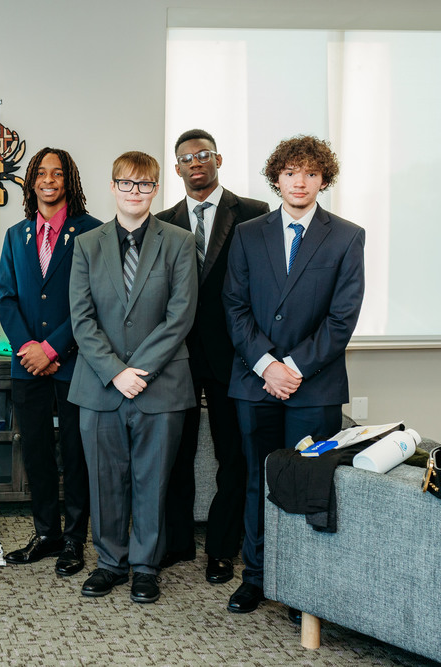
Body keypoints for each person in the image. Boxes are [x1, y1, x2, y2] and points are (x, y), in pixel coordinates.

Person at [223, 135, 364, 616]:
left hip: (314, 386)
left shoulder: (346, 236)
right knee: (257, 480)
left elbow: (342, 319)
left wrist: (294, 369)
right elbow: (235, 307)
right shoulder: (248, 233)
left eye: (309, 173)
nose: (299, 181)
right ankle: (256, 577)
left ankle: (303, 586)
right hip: (254, 381)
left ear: (324, 178)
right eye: (289, 172)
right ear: (276, 178)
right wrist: (267, 365)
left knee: (308, 484)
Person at [68, 151, 197, 604]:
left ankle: (144, 567)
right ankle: (110, 563)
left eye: (144, 185)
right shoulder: (87, 244)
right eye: (126, 184)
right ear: (113, 186)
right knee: (104, 481)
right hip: (100, 386)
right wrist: (116, 372)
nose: (135, 193)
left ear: (156, 188)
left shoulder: (179, 242)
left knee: (152, 480)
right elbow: (82, 319)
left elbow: (180, 317)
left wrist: (138, 371)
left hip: (160, 386)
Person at [156, 129, 270, 584]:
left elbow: (262, 288)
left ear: (217, 158)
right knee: (175, 454)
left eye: (203, 154)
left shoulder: (254, 214)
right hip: (178, 356)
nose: (195, 163)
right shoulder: (162, 221)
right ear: (178, 167)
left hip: (234, 355)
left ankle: (223, 548)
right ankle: (178, 542)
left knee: (233, 456)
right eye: (186, 158)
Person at [0, 148, 101, 575]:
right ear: (31, 181)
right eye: (41, 172)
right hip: (28, 366)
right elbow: (6, 298)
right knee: (36, 452)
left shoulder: (93, 233)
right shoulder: (17, 234)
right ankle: (46, 534)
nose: (48, 179)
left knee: (76, 455)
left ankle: (75, 541)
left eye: (58, 173)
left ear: (69, 180)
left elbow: (94, 300)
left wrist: (53, 350)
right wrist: (29, 349)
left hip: (75, 364)